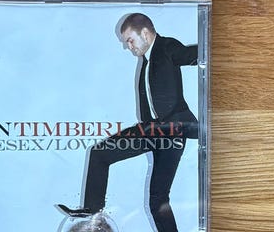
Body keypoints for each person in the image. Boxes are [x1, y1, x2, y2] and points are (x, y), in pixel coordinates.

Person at [57, 13, 198, 232]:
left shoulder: (167, 47)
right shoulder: (146, 61)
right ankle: (92, 211)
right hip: (151, 131)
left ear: (145, 33)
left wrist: (215, 48)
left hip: (172, 131)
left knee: (157, 200)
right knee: (100, 153)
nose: (128, 47)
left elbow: (191, 54)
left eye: (130, 40)